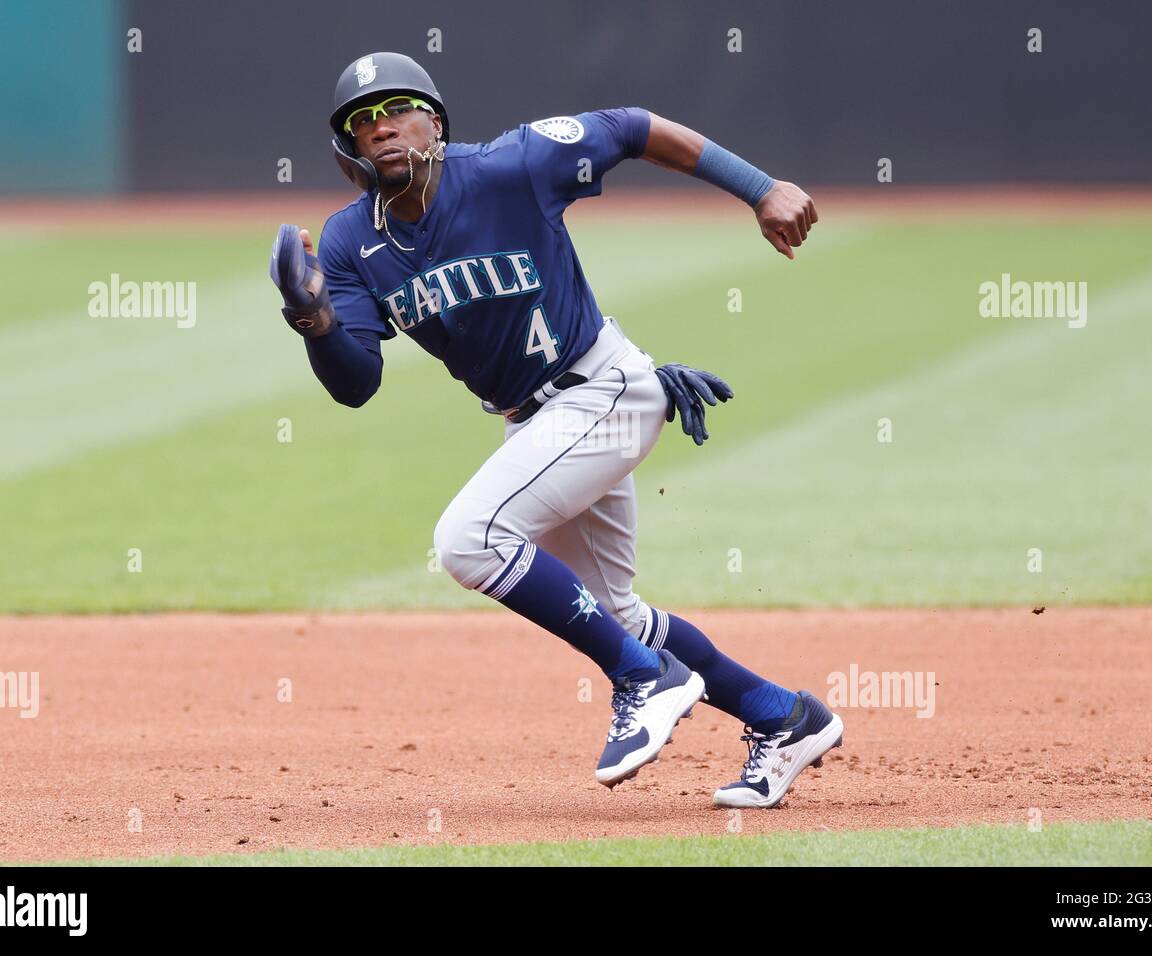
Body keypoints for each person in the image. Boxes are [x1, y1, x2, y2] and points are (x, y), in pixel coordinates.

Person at [269, 52, 842, 807]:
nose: (382, 128)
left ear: (434, 124)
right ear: (349, 152)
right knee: (618, 614)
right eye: (363, 121)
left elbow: (634, 127)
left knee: (468, 540)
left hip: (601, 391)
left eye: (397, 109)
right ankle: (784, 716)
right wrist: (313, 319)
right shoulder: (349, 244)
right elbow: (357, 384)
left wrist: (762, 189)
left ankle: (642, 675)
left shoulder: (513, 165)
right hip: (537, 421)